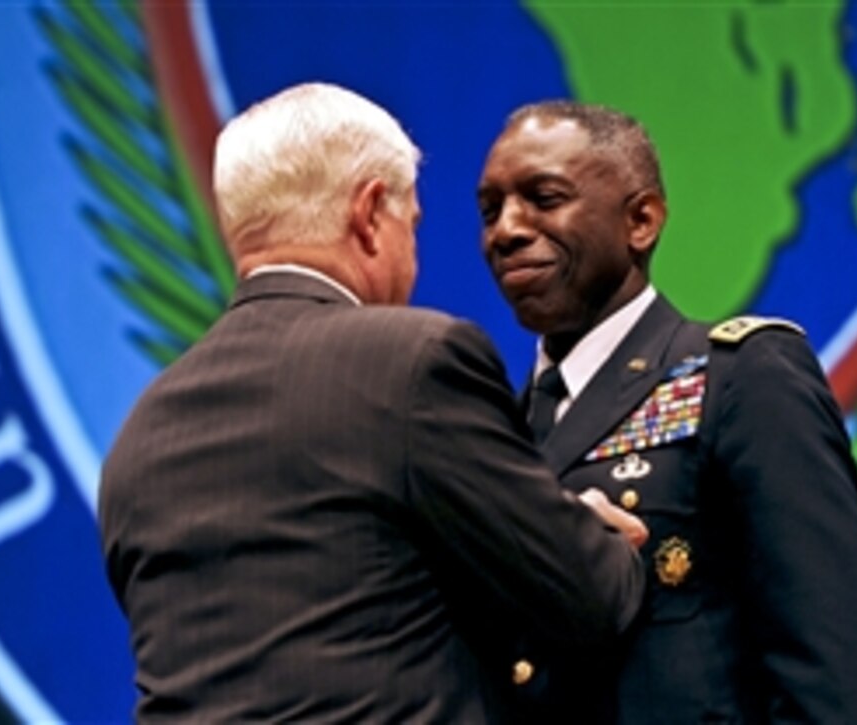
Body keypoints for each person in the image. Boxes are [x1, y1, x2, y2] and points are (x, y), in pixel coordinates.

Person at [98, 83, 648, 723]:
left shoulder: (142, 433)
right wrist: (595, 532)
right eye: (410, 225)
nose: (413, 256)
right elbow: (587, 595)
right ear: (368, 213)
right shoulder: (412, 365)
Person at [476, 100, 857, 723]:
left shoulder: (742, 376)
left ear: (642, 220)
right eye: (490, 210)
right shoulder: (497, 434)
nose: (507, 229)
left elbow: (841, 665)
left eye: (544, 198)